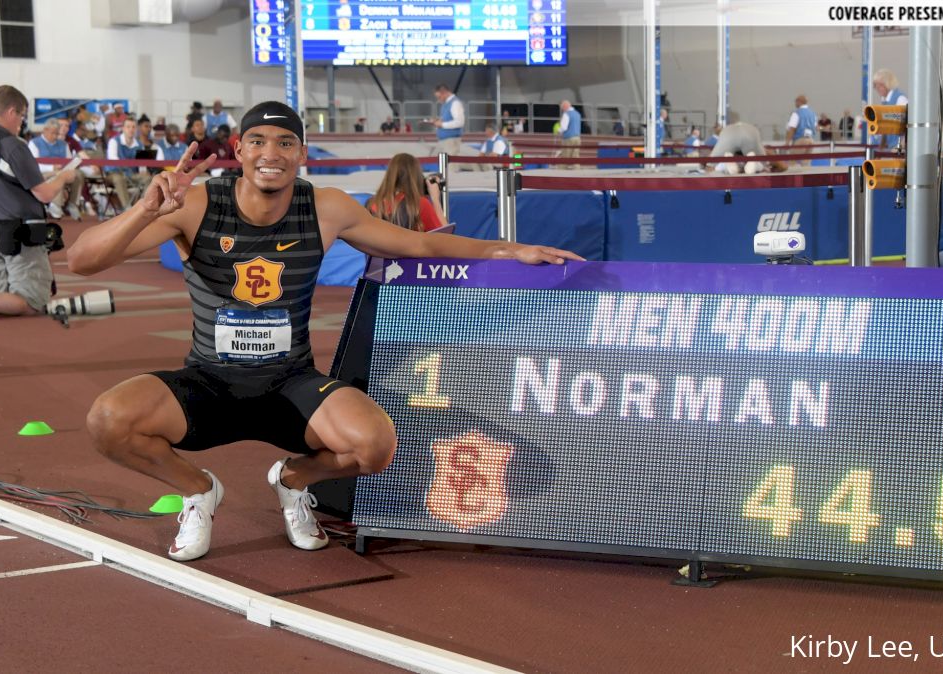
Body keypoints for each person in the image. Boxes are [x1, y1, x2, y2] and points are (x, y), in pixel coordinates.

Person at [65, 103, 581, 562]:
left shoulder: (325, 207)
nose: (273, 153)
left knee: (375, 445)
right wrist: (142, 211)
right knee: (109, 420)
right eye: (259, 142)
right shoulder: (197, 204)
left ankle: (293, 480)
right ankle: (198, 490)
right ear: (239, 150)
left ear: (301, 153)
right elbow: (83, 261)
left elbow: (417, 246)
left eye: (285, 142)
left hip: (289, 383)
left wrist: (507, 250)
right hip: (210, 383)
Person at [0, 85, 82, 318]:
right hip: (18, 233)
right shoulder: (13, 146)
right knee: (32, 302)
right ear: (12, 111)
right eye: (22, 115)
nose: (21, 122)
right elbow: (44, 194)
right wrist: (63, 177)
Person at [365, 153, 447, 231]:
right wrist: (435, 200)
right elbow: (445, 236)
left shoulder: (372, 203)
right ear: (417, 177)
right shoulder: (419, 204)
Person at [28, 119, 86, 220]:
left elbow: (68, 161)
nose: (55, 136)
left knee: (78, 174)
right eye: (52, 133)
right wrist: (52, 167)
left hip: (62, 171)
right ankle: (56, 205)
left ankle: (72, 204)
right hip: (43, 173)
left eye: (57, 133)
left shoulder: (64, 144)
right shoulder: (34, 143)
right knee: (59, 175)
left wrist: (69, 167)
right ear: (45, 130)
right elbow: (33, 165)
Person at [872, 69, 908, 150]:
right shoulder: (885, 101)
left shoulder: (900, 99)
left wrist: (900, 147)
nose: (877, 88)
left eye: (879, 85)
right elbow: (885, 128)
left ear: (887, 84)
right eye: (875, 85)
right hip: (889, 147)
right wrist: (880, 149)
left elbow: (907, 127)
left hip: (898, 148)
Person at [428, 83, 465, 156]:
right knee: (443, 165)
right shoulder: (445, 104)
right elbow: (447, 119)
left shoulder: (455, 103)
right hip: (444, 140)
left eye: (439, 97)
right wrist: (437, 121)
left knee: (451, 165)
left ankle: (479, 164)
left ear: (444, 93)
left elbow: (460, 122)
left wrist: (442, 124)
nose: (438, 99)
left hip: (451, 141)